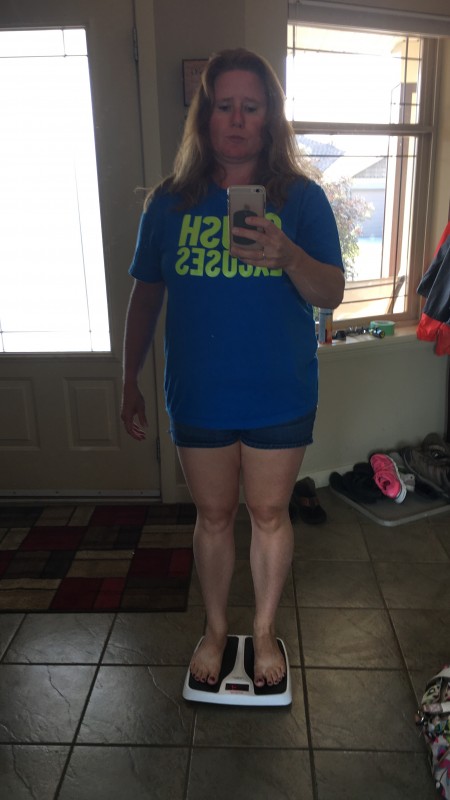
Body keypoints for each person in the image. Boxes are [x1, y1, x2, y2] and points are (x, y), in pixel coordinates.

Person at [121, 48, 344, 688]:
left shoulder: (301, 199)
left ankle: (264, 631)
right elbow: (145, 296)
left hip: (280, 393)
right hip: (200, 396)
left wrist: (289, 255)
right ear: (205, 115)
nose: (238, 119)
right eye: (225, 106)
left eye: (252, 106)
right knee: (214, 517)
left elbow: (330, 293)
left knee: (270, 515)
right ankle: (217, 630)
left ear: (270, 117)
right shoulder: (168, 203)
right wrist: (128, 378)